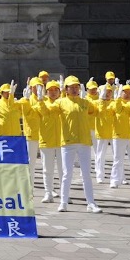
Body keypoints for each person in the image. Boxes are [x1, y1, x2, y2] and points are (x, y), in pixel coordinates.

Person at [56, 76, 102, 213]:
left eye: (76, 86)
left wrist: (103, 99)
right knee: (67, 173)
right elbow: (47, 111)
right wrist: (40, 100)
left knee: (86, 173)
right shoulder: (61, 103)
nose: (75, 89)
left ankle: (91, 203)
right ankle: (63, 202)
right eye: (72, 87)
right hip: (68, 142)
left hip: (84, 142)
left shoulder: (84, 102)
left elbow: (97, 112)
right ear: (66, 89)